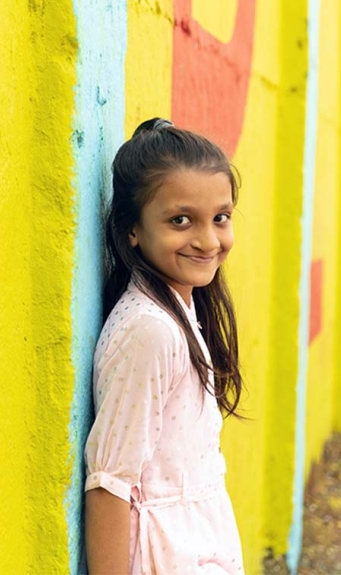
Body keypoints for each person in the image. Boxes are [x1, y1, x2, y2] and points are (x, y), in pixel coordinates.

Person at [84, 118, 245, 574]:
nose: (208, 240)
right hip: (167, 556)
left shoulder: (179, 313)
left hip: (196, 544)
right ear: (132, 228)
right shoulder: (150, 331)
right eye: (181, 220)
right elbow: (109, 483)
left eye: (221, 218)